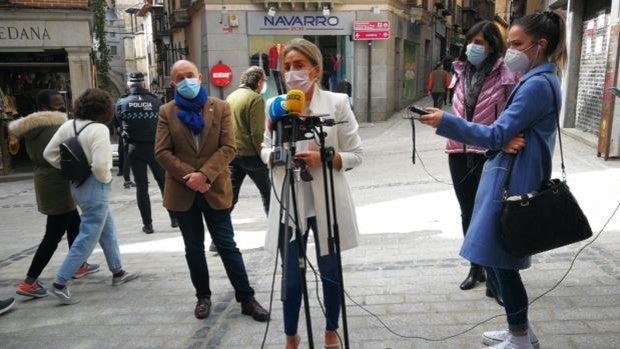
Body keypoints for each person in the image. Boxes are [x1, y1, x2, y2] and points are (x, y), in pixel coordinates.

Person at [419, 10, 566, 349]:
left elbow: (498, 131)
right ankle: (520, 328)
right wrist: (504, 138)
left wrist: (446, 121)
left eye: (517, 44)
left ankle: (519, 338)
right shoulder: (540, 79)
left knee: (500, 261)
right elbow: (507, 133)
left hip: (512, 181)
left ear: (540, 45)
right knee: (497, 258)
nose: (510, 50)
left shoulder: (536, 85)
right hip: (507, 173)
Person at [261, 38, 363, 349]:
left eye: (299, 66)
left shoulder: (337, 103)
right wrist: (276, 156)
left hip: (326, 201)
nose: (292, 73)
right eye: (287, 67)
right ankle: (291, 334)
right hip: (289, 199)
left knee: (330, 272)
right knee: (291, 277)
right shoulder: (274, 106)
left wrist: (325, 158)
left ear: (315, 70)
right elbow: (264, 150)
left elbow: (357, 154)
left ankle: (332, 330)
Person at [154, 59, 269, 321]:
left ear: (200, 77)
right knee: (193, 248)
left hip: (214, 187)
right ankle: (202, 297)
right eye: (180, 78)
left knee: (227, 245)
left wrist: (204, 174)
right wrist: (190, 177)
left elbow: (229, 147)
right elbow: (161, 152)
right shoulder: (166, 112)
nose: (186, 81)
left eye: (190, 75)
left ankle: (247, 298)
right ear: (173, 83)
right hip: (183, 193)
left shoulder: (220, 107)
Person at [44, 88, 139, 305]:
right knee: (88, 236)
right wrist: (105, 179)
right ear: (105, 109)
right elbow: (101, 165)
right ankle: (60, 283)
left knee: (107, 228)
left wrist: (71, 170)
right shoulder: (99, 129)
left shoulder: (69, 125)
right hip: (96, 186)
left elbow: (48, 153)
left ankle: (118, 272)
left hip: (76, 184)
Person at [447, 21, 517, 295]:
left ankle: (493, 272)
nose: (474, 46)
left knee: (490, 212)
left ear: (492, 45)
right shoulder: (459, 71)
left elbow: (514, 111)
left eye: (480, 42)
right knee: (467, 212)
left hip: (490, 152)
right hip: (458, 151)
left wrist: (508, 138)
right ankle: (475, 266)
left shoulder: (506, 73)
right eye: (471, 41)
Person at [9, 89, 99, 300]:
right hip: (58, 181)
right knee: (53, 234)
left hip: (46, 179)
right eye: (58, 105)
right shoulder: (55, 125)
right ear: (45, 106)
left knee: (73, 222)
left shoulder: (31, 126)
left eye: (62, 103)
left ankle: (78, 264)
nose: (62, 107)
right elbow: (66, 151)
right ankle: (29, 281)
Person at [116, 71, 177, 234]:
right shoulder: (156, 101)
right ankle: (174, 219)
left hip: (134, 148)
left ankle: (148, 225)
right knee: (164, 183)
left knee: (141, 187)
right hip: (155, 148)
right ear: (143, 84)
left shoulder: (122, 102)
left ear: (129, 85)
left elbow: (119, 124)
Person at [226, 66, 271, 214]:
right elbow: (257, 133)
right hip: (252, 155)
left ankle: (219, 234)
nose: (263, 84)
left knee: (230, 198)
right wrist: (263, 155)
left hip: (233, 154)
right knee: (268, 193)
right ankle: (276, 232)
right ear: (258, 81)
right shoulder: (256, 99)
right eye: (263, 80)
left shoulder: (231, 96)